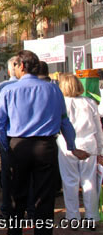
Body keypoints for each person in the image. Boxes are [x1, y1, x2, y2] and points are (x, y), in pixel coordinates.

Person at [0, 50, 89, 235]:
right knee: (44, 197)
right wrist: (72, 146)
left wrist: (6, 145)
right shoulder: (53, 89)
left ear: (21, 66)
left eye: (15, 66)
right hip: (46, 147)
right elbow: (64, 121)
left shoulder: (8, 90)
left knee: (16, 196)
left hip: (18, 145)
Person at [57, 74, 103, 224]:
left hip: (66, 145)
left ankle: (73, 216)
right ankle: (91, 216)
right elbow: (98, 129)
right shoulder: (90, 102)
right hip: (89, 143)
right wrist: (101, 150)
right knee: (89, 181)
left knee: (70, 181)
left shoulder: (61, 103)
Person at [0, 56, 19, 219]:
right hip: (27, 139)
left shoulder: (0, 89)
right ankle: (30, 208)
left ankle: (7, 209)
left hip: (7, 136)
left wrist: (0, 139)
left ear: (9, 70)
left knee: (7, 175)